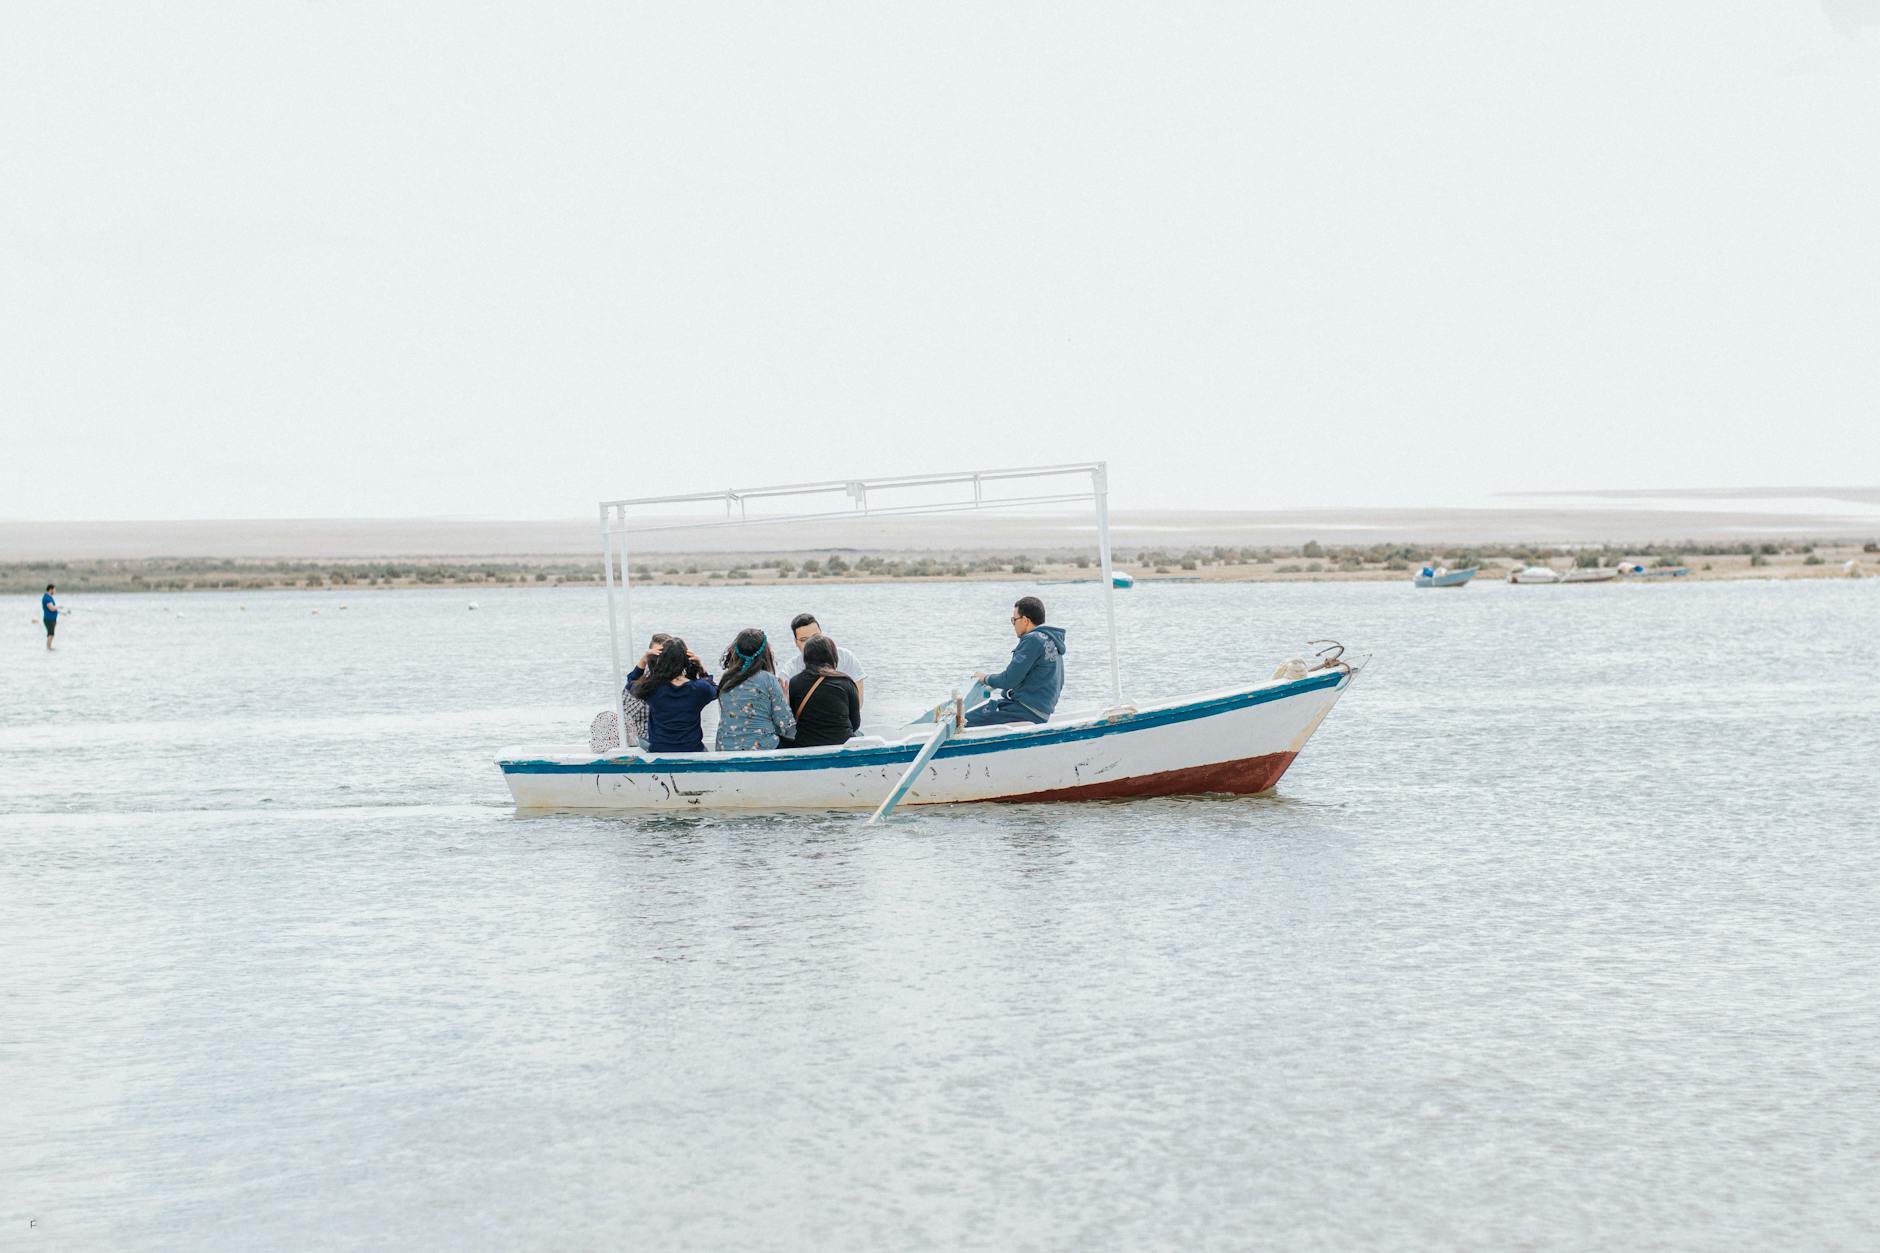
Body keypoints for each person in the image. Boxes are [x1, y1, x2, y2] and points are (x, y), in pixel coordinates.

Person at [969, 595, 1067, 726]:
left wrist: (985, 678)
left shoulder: (1032, 640)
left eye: (1014, 620)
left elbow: (1008, 680)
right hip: (1041, 712)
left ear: (1025, 620)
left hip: (1023, 711)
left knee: (964, 721)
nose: (1013, 624)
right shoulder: (1052, 640)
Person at [624, 636, 718, 752]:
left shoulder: (652, 688)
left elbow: (631, 683)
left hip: (659, 750)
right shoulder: (700, 688)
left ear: (661, 660)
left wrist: (644, 660)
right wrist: (701, 668)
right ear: (686, 660)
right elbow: (716, 690)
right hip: (692, 749)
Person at [714, 628, 796, 751]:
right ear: (765, 653)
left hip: (724, 748)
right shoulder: (768, 679)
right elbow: (786, 726)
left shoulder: (726, 680)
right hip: (761, 748)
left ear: (735, 651)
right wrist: (786, 700)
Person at [783, 634, 863, 748]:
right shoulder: (846, 682)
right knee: (860, 734)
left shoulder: (795, 682)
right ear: (833, 656)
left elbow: (794, 719)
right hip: (842, 743)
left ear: (806, 657)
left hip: (806, 744)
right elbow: (855, 723)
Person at [777, 612, 866, 705]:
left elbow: (858, 701)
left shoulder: (846, 658)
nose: (811, 643)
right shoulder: (789, 670)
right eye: (804, 640)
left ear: (822, 635)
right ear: (796, 642)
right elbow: (783, 706)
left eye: (815, 637)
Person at [41, 584, 67, 650]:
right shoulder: (46, 598)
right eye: (54, 590)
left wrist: (62, 613)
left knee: (51, 634)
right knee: (51, 634)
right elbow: (51, 608)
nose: (55, 591)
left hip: (52, 619)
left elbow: (53, 610)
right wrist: (59, 606)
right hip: (48, 619)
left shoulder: (50, 597)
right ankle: (48, 648)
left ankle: (49, 647)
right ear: (50, 590)